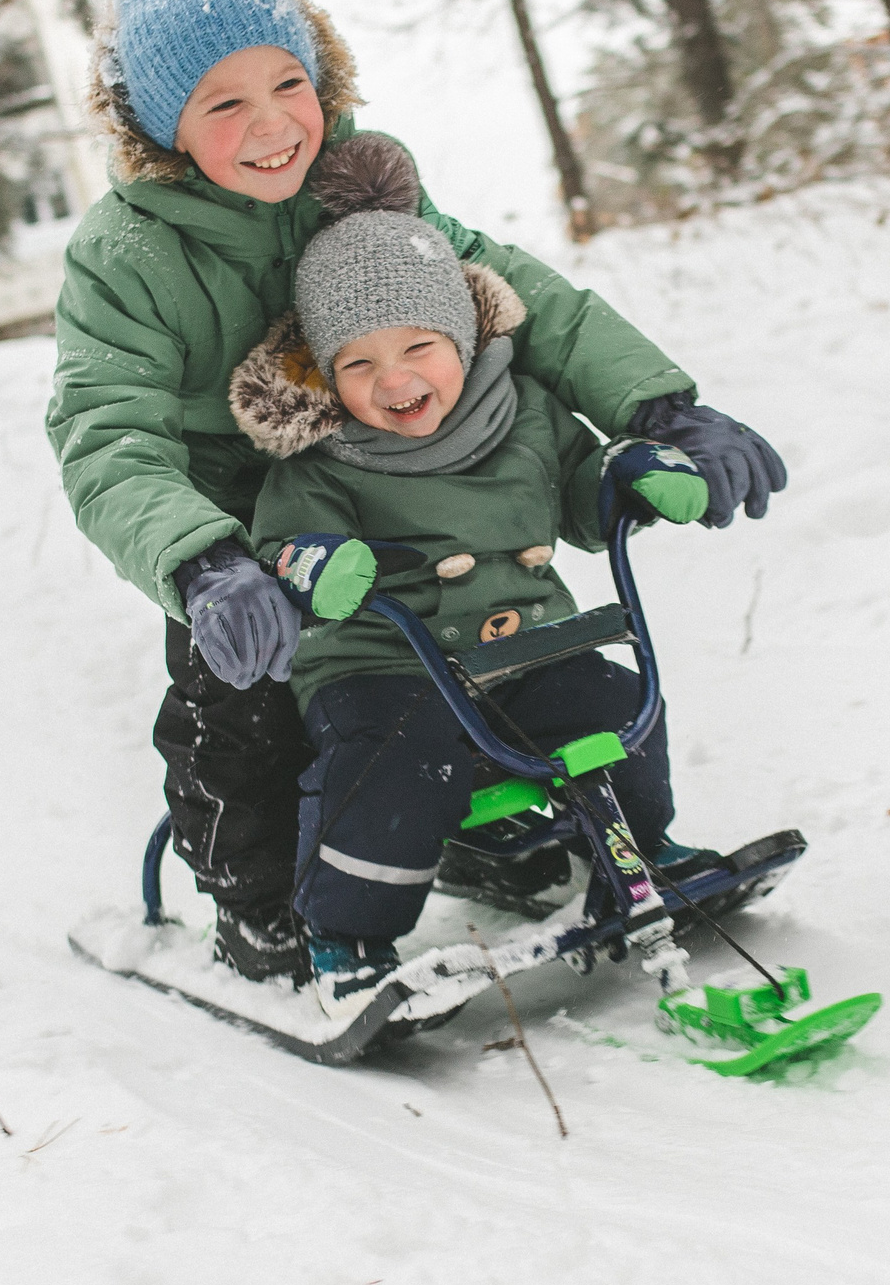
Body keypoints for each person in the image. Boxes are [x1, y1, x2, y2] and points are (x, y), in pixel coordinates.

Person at [47, 0, 787, 985]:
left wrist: (661, 411)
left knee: (497, 648)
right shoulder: (127, 255)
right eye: (222, 104)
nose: (271, 127)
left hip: (396, 477)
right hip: (236, 533)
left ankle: (490, 821)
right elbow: (103, 431)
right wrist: (204, 563)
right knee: (244, 707)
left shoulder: (355, 185)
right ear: (162, 125)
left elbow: (513, 296)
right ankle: (255, 901)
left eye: (287, 84)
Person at [239, 136, 718, 1007]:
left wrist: (628, 476)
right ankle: (346, 933)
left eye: (418, 347)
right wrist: (318, 562)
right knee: (394, 762)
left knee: (614, 709)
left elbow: (577, 488)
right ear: (325, 373)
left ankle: (639, 850)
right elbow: (287, 539)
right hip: (383, 668)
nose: (394, 381)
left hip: (525, 646)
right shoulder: (321, 459)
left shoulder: (522, 413)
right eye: (358, 363)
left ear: (461, 333)